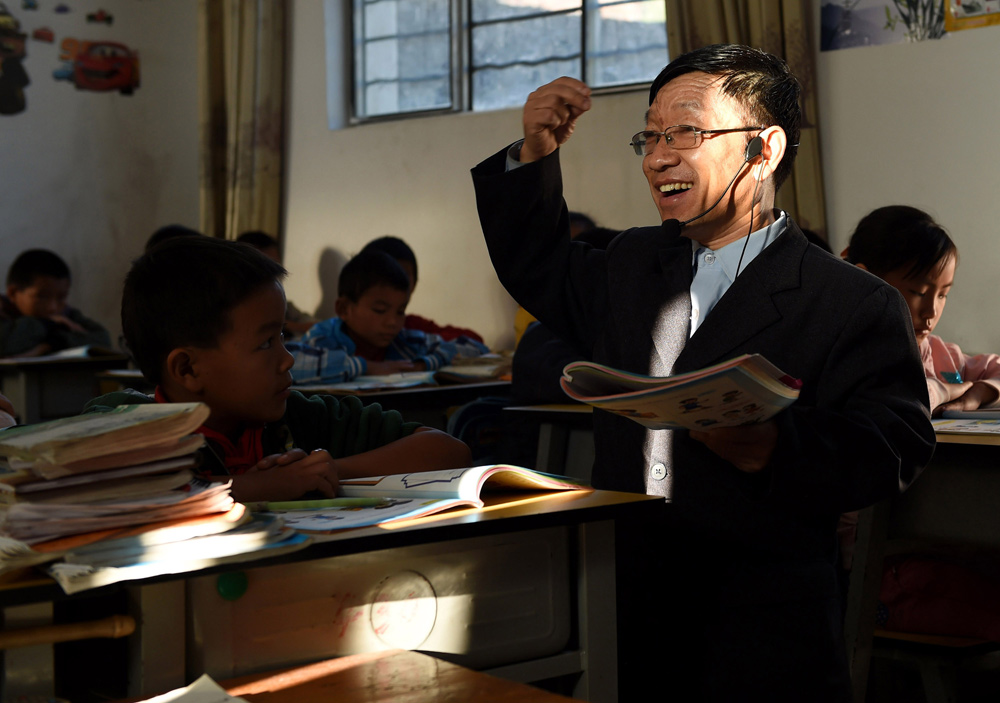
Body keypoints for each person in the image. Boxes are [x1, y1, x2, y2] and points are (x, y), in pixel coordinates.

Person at [471, 44, 934, 701]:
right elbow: (538, 267)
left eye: (686, 131)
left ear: (764, 148)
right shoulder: (633, 260)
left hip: (764, 619)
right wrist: (535, 153)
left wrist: (780, 444)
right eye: (651, 136)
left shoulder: (849, 299)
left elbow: (897, 442)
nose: (659, 156)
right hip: (629, 597)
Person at [84, 237, 471, 503]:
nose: (287, 359)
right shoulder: (125, 424)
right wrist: (255, 487)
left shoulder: (300, 418)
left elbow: (448, 451)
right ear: (187, 368)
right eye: (266, 343)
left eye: (284, 335)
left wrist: (326, 470)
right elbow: (93, 492)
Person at [844, 205, 1000, 415]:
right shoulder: (847, 355)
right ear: (864, 281)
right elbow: (896, 399)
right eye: (919, 292)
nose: (932, 312)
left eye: (942, 295)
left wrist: (981, 391)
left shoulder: (942, 355)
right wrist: (944, 391)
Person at [290, 250, 488, 384]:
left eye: (400, 311)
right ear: (344, 309)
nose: (393, 322)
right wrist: (367, 367)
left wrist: (422, 365)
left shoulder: (403, 341)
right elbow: (289, 366)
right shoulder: (322, 338)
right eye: (379, 310)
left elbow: (475, 347)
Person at [360, 236, 485, 343]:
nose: (392, 323)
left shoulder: (412, 326)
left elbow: (473, 339)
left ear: (414, 284)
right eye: (379, 310)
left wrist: (418, 341)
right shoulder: (345, 335)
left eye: (403, 276)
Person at [1, 248, 111, 357]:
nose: (52, 307)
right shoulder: (3, 310)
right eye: (42, 297)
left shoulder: (66, 315)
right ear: (13, 293)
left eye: (61, 297)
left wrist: (53, 343)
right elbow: (5, 343)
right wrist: (47, 323)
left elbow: (103, 340)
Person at [236, 230, 318, 338]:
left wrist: (289, 325)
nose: (271, 274)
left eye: (275, 266)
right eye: (262, 267)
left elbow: (318, 326)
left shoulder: (283, 306)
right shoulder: (231, 311)